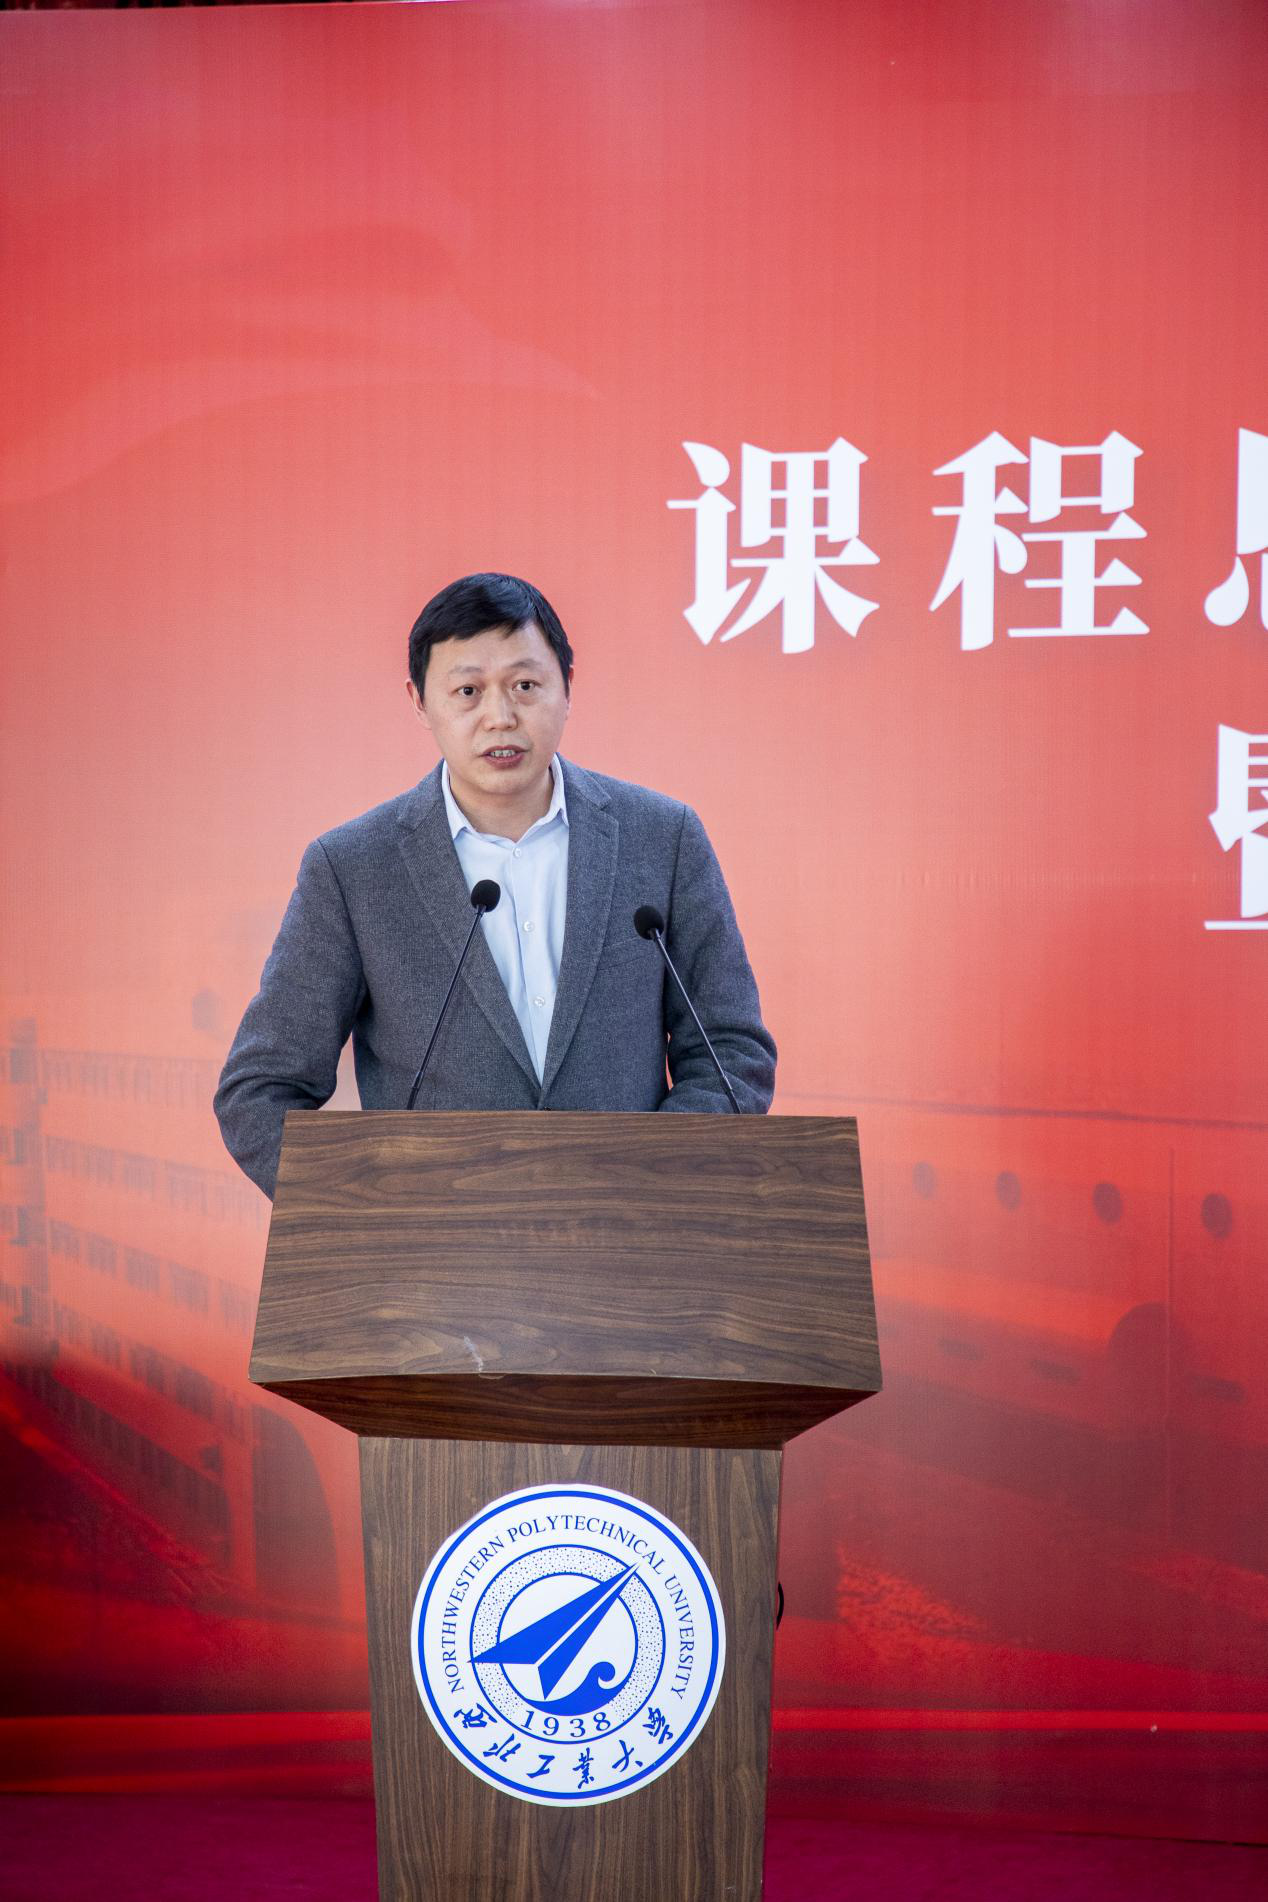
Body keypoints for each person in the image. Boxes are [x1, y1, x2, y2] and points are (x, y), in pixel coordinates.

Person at [214, 573, 776, 1196]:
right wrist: (369, 1207)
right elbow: (259, 1092)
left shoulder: (662, 838)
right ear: (419, 702)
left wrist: (651, 1182)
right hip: (434, 1245)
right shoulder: (352, 868)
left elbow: (731, 1050)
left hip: (634, 1237)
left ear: (568, 687)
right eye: (468, 690)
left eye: (525, 685)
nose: (500, 717)